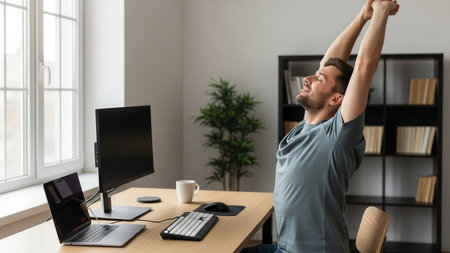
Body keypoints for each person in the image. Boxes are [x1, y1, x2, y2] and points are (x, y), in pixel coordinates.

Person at [242, 0, 399, 252]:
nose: (307, 78)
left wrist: (381, 12)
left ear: (336, 99)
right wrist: (361, 17)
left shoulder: (338, 135)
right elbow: (331, 61)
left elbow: (363, 69)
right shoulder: (306, 127)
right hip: (284, 248)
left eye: (319, 79)